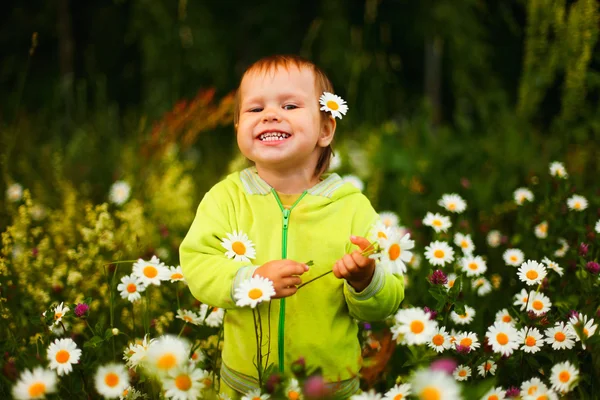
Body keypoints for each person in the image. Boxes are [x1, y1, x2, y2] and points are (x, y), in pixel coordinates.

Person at [179, 55, 404, 399]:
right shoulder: (226, 199)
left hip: (327, 388)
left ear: (326, 129)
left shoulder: (351, 207)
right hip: (246, 386)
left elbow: (387, 300)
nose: (270, 114)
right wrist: (251, 280)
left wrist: (366, 279)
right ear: (238, 128)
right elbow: (198, 265)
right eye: (254, 110)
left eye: (289, 105)